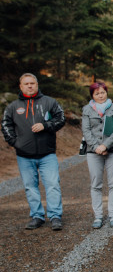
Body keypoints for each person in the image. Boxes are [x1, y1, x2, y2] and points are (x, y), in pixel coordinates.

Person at [2, 73, 66, 231]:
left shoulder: (49, 102)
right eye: (26, 84)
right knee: (30, 186)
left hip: (47, 153)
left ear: (37, 85)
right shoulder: (13, 106)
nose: (30, 86)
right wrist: (15, 143)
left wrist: (46, 125)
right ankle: (37, 216)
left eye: (32, 83)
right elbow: (5, 125)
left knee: (52, 184)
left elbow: (61, 118)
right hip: (24, 156)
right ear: (21, 86)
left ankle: (55, 216)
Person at [82, 82, 113, 229]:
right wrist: (96, 147)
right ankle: (98, 216)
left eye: (103, 92)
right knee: (96, 184)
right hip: (93, 152)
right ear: (92, 95)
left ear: (107, 92)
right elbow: (86, 131)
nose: (100, 95)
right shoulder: (86, 110)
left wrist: (106, 145)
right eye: (97, 93)